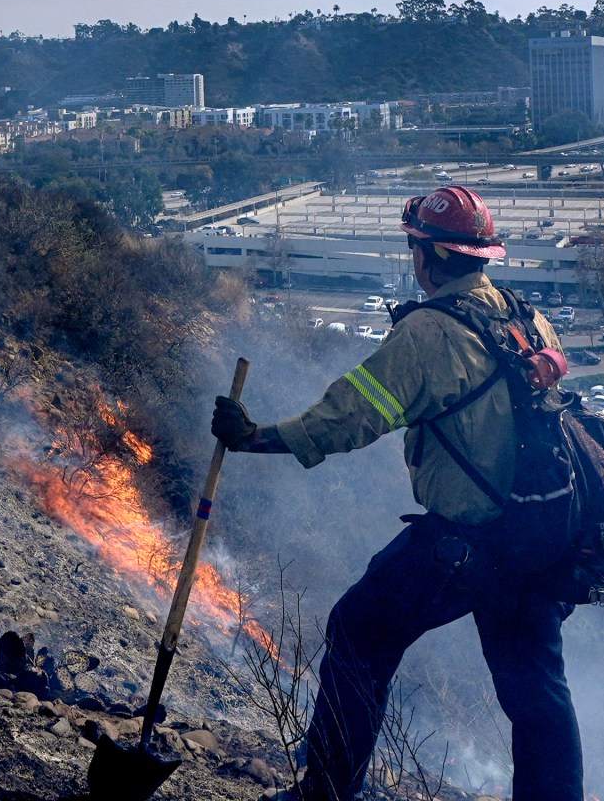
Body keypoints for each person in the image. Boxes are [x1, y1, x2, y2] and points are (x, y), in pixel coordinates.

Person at [212, 185, 584, 801]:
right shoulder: (527, 318)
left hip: (462, 545)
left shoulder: (429, 333)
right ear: (483, 255)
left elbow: (346, 418)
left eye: (416, 246)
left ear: (427, 256)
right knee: (538, 692)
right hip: (534, 542)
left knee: (358, 632)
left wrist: (252, 438)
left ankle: (326, 794)